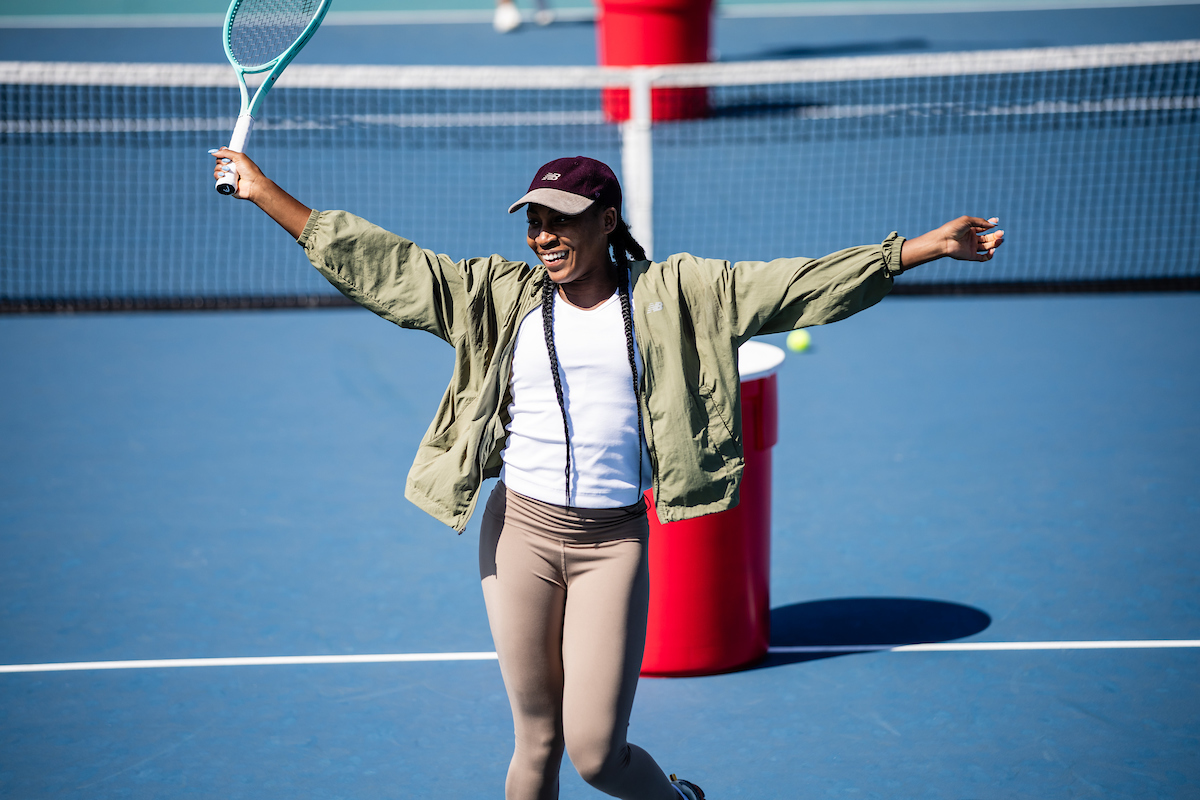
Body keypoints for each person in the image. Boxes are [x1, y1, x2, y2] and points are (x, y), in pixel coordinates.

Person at [210, 150, 1003, 800]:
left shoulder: (677, 294)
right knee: (536, 742)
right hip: (516, 535)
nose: (544, 235)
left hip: (610, 546)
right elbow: (388, 268)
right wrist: (265, 192)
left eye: (561, 219)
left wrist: (920, 249)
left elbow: (793, 287)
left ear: (607, 220)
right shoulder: (499, 295)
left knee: (596, 755)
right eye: (535, 221)